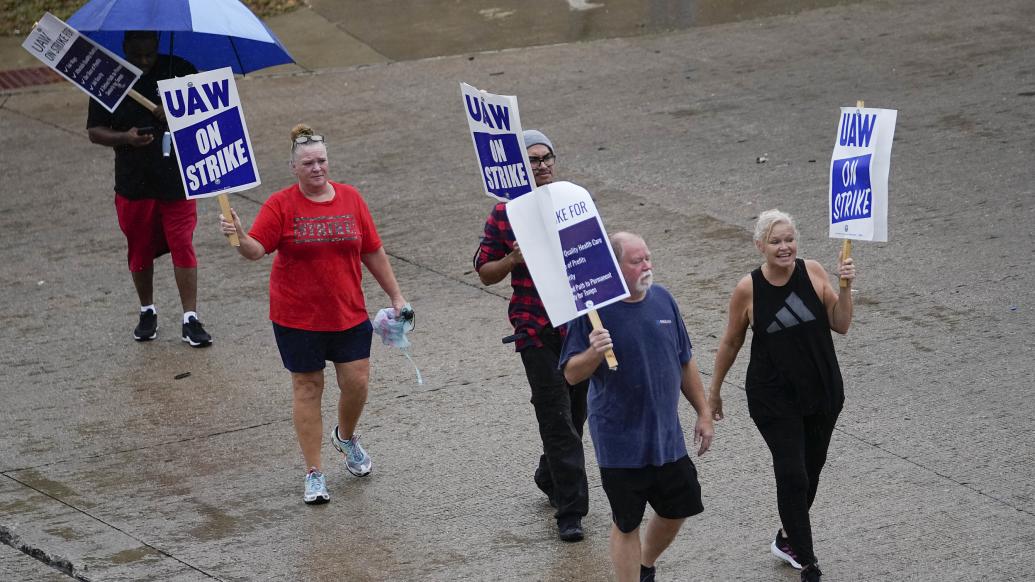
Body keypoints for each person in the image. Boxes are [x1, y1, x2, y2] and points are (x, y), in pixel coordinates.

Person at [219, 124, 408, 505]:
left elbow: (372, 249)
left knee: (357, 383)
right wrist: (237, 233)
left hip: (347, 311)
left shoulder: (351, 198)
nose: (317, 167)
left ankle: (345, 437)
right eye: (308, 162)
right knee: (308, 388)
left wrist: (396, 295)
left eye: (321, 160)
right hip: (296, 317)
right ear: (294, 167)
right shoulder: (281, 204)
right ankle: (314, 472)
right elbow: (256, 251)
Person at [707, 210, 855, 582]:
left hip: (822, 391)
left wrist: (847, 287)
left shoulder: (815, 271)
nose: (784, 247)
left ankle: (788, 537)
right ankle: (807, 560)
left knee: (810, 470)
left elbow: (841, 323)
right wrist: (714, 392)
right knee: (792, 474)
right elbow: (731, 341)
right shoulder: (749, 288)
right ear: (760, 246)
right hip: (774, 398)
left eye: (789, 239)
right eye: (775, 241)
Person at [560, 232, 714, 582]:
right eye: (637, 261)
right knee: (626, 521)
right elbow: (571, 374)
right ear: (614, 267)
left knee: (679, 508)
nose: (647, 265)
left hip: (666, 437)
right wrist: (593, 353)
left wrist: (703, 412)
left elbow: (684, 360)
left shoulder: (663, 300)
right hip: (620, 441)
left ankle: (643, 564)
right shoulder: (594, 312)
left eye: (648, 257)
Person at [473, 129, 590, 542]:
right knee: (555, 417)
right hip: (534, 326)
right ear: (518, 168)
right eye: (532, 160)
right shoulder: (504, 213)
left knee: (576, 413)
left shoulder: (572, 200)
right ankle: (571, 512)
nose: (541, 165)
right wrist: (512, 258)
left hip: (576, 325)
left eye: (546, 157)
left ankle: (549, 473)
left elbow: (595, 256)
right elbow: (485, 272)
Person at [86, 31, 211, 347]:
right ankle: (147, 310)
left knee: (183, 243)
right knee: (139, 248)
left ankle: (190, 318)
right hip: (134, 182)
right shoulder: (107, 78)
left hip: (179, 178)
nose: (143, 62)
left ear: (158, 45)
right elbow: (95, 132)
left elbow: (207, 115)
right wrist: (125, 138)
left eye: (149, 55)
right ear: (125, 48)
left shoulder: (180, 69)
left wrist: (175, 113)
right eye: (137, 56)